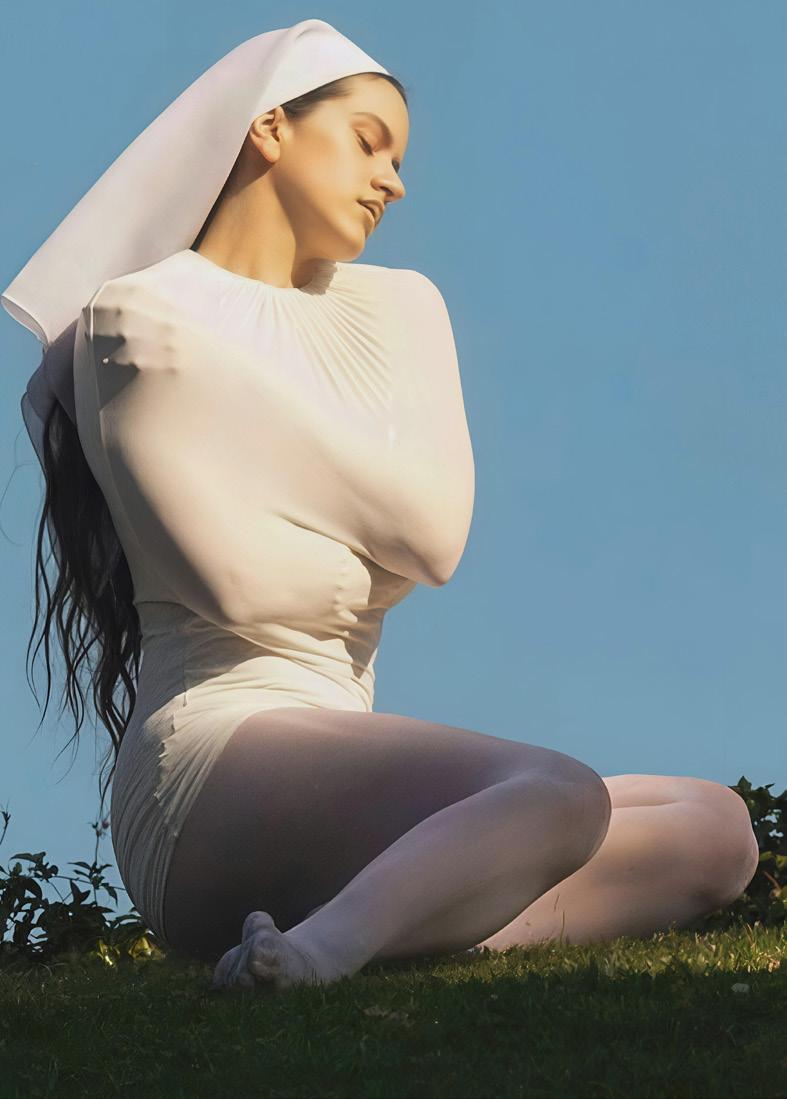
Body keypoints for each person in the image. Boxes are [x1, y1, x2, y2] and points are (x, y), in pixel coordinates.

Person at [2, 21, 760, 993]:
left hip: (348, 765)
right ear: (270, 128)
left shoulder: (401, 306)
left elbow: (434, 535)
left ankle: (393, 912)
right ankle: (319, 954)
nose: (391, 183)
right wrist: (369, 518)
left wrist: (248, 419)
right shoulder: (140, 315)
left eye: (397, 160)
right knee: (559, 795)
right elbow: (243, 589)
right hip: (210, 772)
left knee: (714, 830)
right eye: (368, 142)